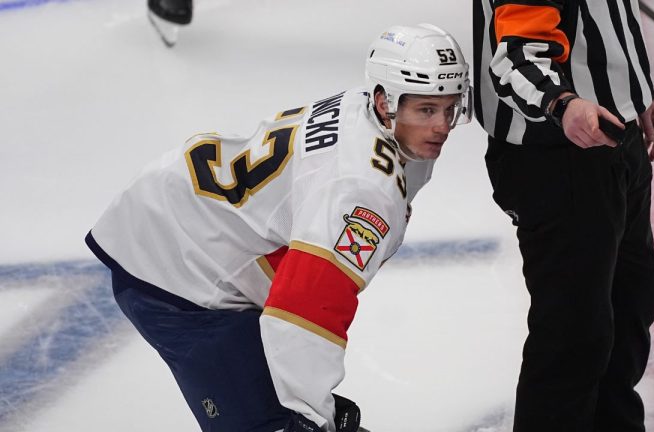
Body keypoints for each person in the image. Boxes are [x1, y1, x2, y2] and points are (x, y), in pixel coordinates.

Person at [85, 23, 472, 432]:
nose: (442, 127)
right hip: (175, 268)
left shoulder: (373, 116)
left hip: (185, 215)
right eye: (426, 110)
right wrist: (310, 414)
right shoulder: (361, 190)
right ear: (384, 101)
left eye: (450, 109)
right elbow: (305, 311)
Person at [473, 1, 654, 431]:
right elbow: (516, 60)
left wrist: (633, 85)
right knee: (574, 334)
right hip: (560, 152)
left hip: (612, 130)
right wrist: (561, 103)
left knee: (629, 302)